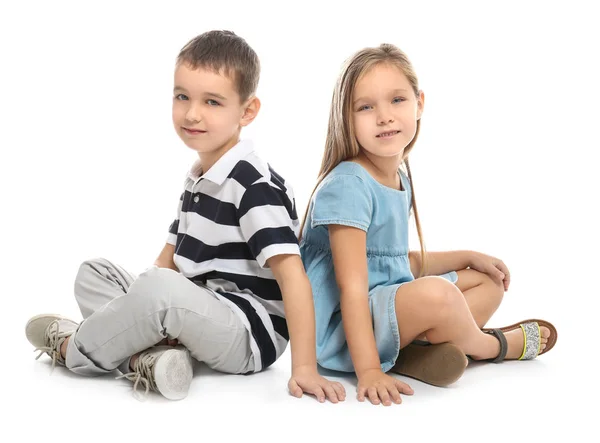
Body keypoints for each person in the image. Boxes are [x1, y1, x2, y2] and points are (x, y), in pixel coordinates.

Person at [25, 30, 345, 403]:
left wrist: (304, 367)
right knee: (94, 273)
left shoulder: (251, 184)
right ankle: (152, 358)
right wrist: (144, 299)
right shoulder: (199, 179)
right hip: (196, 309)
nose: (192, 113)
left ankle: (74, 348)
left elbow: (294, 278)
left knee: (160, 292)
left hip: (246, 334)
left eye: (212, 101)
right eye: (182, 97)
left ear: (247, 111)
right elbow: (166, 262)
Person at [298, 43, 557, 406]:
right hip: (343, 326)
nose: (384, 116)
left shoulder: (397, 175)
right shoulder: (348, 185)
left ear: (420, 103)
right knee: (440, 296)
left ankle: (414, 353)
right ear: (346, 117)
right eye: (366, 107)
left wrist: (467, 256)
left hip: (381, 304)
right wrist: (369, 371)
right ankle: (489, 346)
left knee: (489, 281)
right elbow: (352, 286)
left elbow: (392, 261)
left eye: (397, 100)